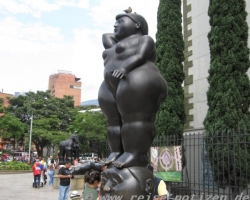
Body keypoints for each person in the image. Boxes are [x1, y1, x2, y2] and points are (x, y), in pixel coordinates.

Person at [98, 12, 167, 169]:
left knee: (135, 119)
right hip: (112, 85)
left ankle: (136, 154)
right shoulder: (114, 44)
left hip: (138, 78)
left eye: (121, 21)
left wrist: (125, 68)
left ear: (138, 25)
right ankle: (116, 151)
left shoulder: (144, 39)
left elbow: (141, 56)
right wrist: (125, 18)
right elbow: (105, 36)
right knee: (113, 122)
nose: (116, 25)